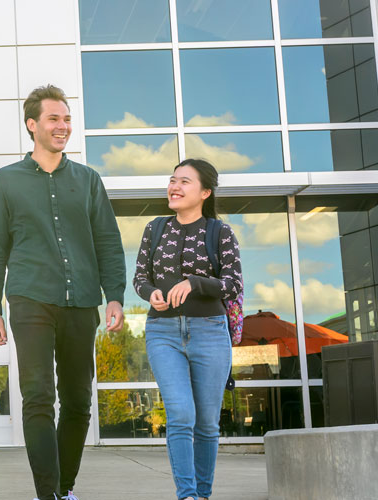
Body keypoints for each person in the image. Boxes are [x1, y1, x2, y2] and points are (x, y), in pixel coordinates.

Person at [0, 84, 127, 500]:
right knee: (39, 397)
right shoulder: (5, 182)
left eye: (66, 119)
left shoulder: (88, 180)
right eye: (53, 119)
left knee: (79, 401)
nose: (63, 126)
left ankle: (64, 489)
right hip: (30, 301)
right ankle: (48, 495)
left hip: (82, 302)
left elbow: (108, 243)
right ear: (32, 125)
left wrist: (113, 294)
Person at [133, 159, 242, 500]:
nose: (174, 187)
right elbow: (140, 277)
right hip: (162, 331)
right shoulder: (155, 228)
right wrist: (151, 293)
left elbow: (233, 284)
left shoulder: (220, 232)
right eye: (172, 180)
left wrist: (194, 283)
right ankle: (187, 495)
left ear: (205, 192)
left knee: (207, 423)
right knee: (181, 414)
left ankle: (203, 493)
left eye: (184, 181)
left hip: (209, 331)